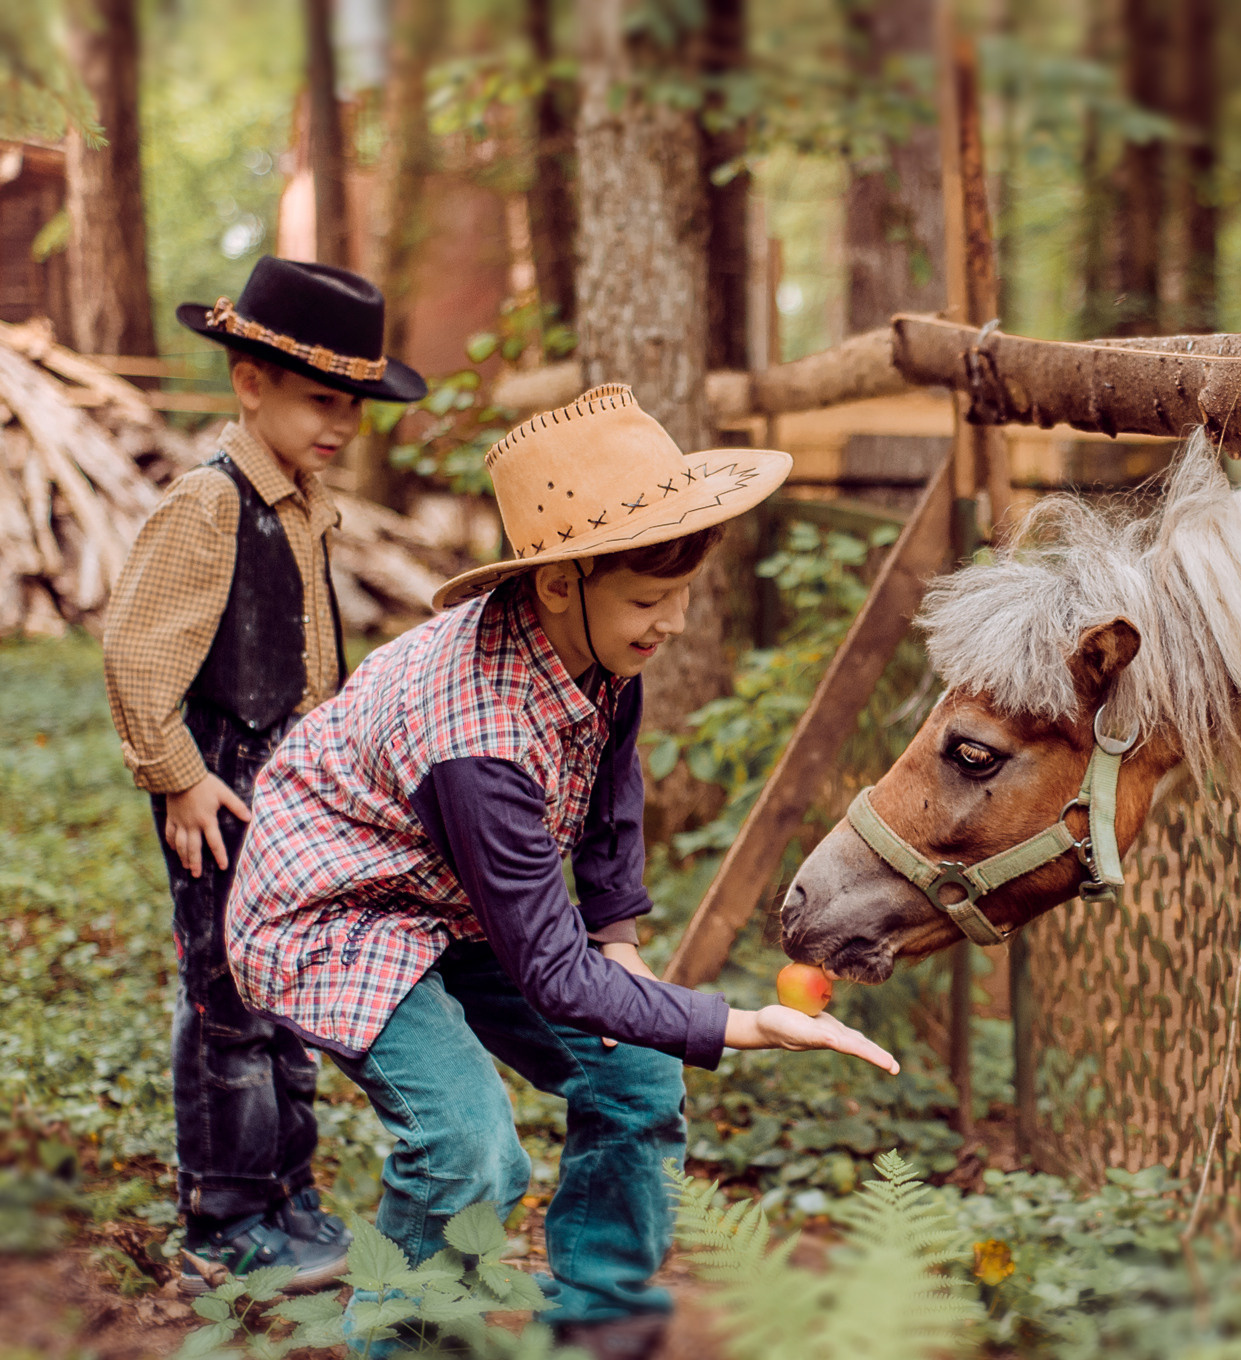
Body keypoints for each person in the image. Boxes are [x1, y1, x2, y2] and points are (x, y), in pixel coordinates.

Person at [224, 384, 896, 1359]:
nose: (668, 623)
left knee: (635, 1082)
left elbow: (609, 792)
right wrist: (742, 1023)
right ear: (556, 581)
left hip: (452, 896)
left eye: (680, 596)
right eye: (646, 599)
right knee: (467, 1152)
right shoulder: (479, 738)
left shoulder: (598, 643)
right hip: (338, 909)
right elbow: (548, 969)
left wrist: (618, 937)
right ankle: (403, 1343)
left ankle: (597, 1321)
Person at [103, 256, 427, 1294]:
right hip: (225, 793)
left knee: (286, 993)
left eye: (354, 406)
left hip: (290, 797)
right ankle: (226, 1217)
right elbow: (138, 654)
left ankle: (286, 1193)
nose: (341, 423)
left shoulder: (302, 501)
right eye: (319, 399)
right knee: (228, 1001)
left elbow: (310, 659)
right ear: (251, 382)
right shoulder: (208, 504)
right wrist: (180, 777)